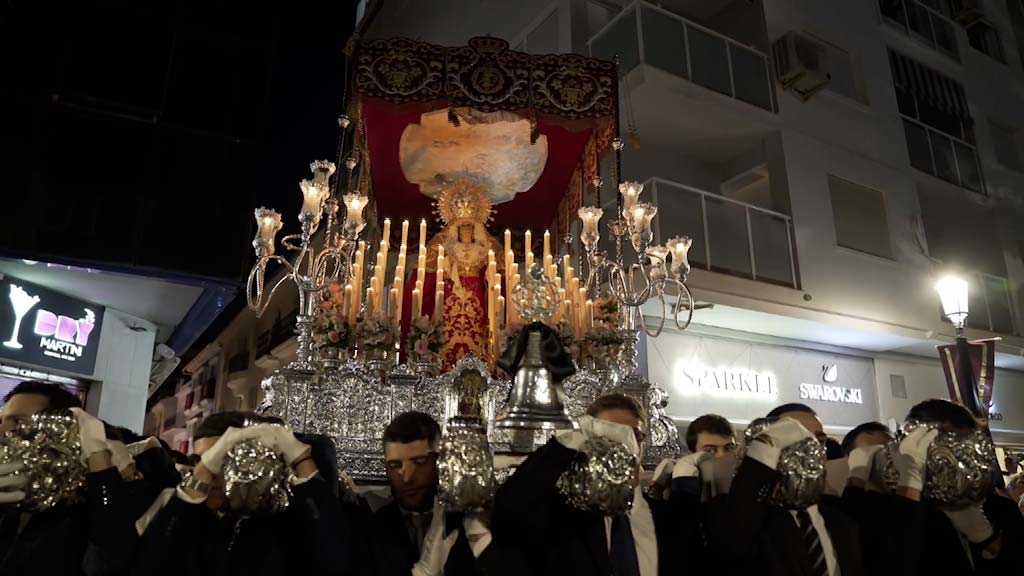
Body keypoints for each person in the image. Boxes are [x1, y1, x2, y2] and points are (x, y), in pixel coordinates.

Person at [491, 393, 699, 576]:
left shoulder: (667, 519)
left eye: (633, 434)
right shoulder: (563, 519)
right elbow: (508, 508)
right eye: (608, 435)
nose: (622, 445)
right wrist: (565, 444)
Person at [130, 411, 355, 576]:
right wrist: (202, 473)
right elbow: (150, 565)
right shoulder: (185, 514)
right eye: (202, 461)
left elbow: (334, 557)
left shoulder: (286, 520)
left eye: (223, 459)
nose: (212, 472)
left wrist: (300, 459)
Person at [702, 405, 865, 576]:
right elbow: (731, 547)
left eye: (819, 442)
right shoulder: (738, 516)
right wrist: (762, 451)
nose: (812, 453)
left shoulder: (842, 520)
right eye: (795, 443)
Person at [0, 380, 138, 576]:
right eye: (2, 421)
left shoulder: (83, 508)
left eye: (19, 422)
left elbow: (110, 559)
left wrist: (98, 456)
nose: (2, 432)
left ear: (59, 431)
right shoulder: (10, 501)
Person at [368, 411, 481, 576]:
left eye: (419, 463)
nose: (407, 478)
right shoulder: (371, 531)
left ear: (440, 462)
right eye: (395, 465)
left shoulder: (468, 523)